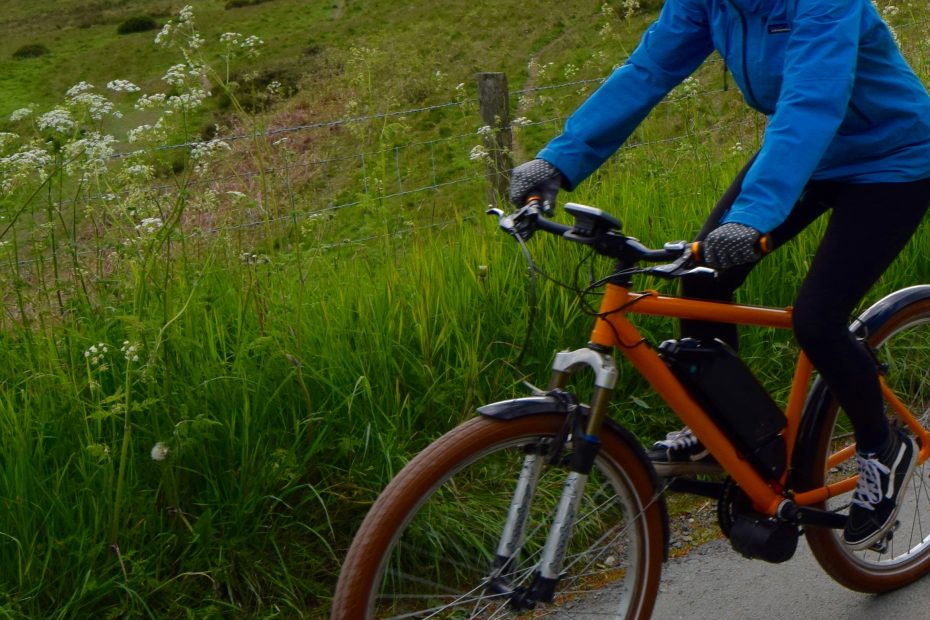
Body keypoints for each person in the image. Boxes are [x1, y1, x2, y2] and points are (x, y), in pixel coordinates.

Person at [508, 0, 930, 551]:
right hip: (806, 157)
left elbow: (811, 100)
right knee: (702, 279)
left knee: (817, 317)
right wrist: (559, 162)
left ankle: (882, 446)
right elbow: (648, 71)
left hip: (892, 161)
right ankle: (725, 436)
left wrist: (751, 217)